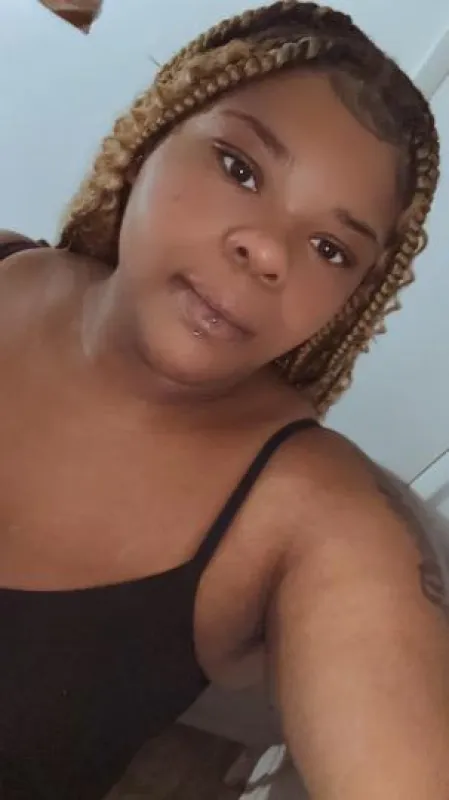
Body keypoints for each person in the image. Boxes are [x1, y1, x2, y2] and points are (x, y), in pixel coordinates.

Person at [1, 1, 448, 797]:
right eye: (239, 169)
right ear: (153, 135)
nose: (268, 250)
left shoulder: (318, 518)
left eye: (330, 248)